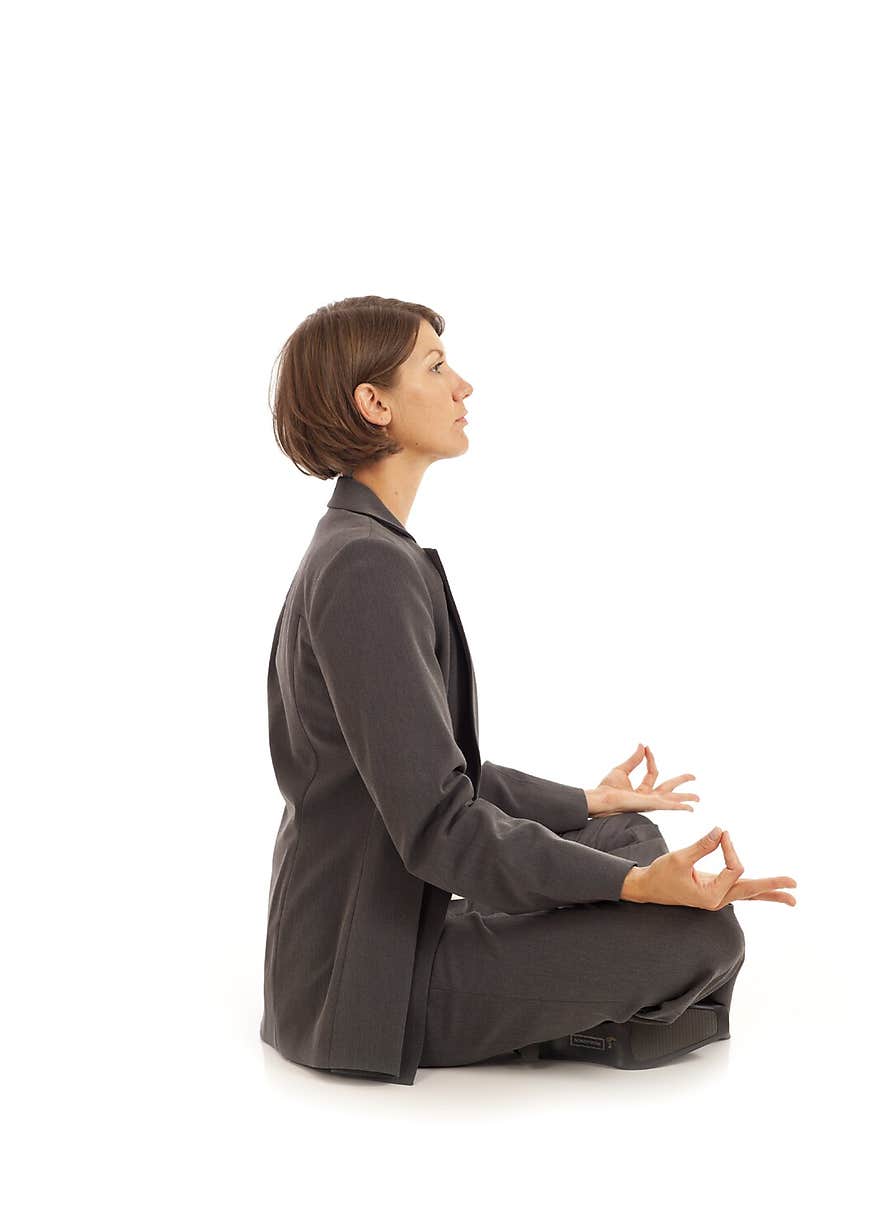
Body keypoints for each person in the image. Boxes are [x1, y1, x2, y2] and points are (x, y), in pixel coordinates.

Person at [260, 294, 796, 1085]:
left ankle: (576, 936)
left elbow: (441, 778)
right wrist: (638, 891)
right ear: (374, 404)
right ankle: (577, 1017)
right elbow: (442, 826)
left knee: (630, 840)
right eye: (436, 367)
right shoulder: (365, 568)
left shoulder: (366, 548)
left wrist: (592, 805)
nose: (462, 386)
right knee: (703, 938)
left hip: (384, 925)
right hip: (368, 978)